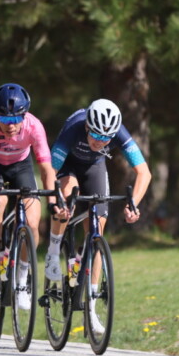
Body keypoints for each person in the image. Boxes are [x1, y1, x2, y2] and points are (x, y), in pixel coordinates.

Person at [45, 99, 152, 332]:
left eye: (106, 138)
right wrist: (55, 201)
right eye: (95, 135)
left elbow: (144, 172)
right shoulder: (75, 126)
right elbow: (50, 170)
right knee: (68, 198)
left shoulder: (119, 132)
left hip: (94, 167)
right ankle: (53, 249)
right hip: (67, 166)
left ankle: (91, 309)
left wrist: (133, 203)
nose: (100, 141)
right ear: (87, 126)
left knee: (97, 231)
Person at [0, 83, 57, 308]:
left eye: (16, 119)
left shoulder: (34, 126)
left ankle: (22, 280)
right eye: (4, 119)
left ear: (25, 115)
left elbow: (46, 168)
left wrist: (52, 201)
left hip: (21, 166)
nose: (10, 125)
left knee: (32, 222)